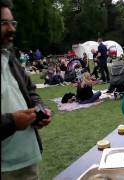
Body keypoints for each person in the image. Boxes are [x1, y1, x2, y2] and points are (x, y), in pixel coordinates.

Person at [1, 0, 52, 179]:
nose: (11, 28)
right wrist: (12, 122)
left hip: (28, 159)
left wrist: (40, 111)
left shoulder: (10, 57)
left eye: (12, 23)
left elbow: (30, 90)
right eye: (3, 23)